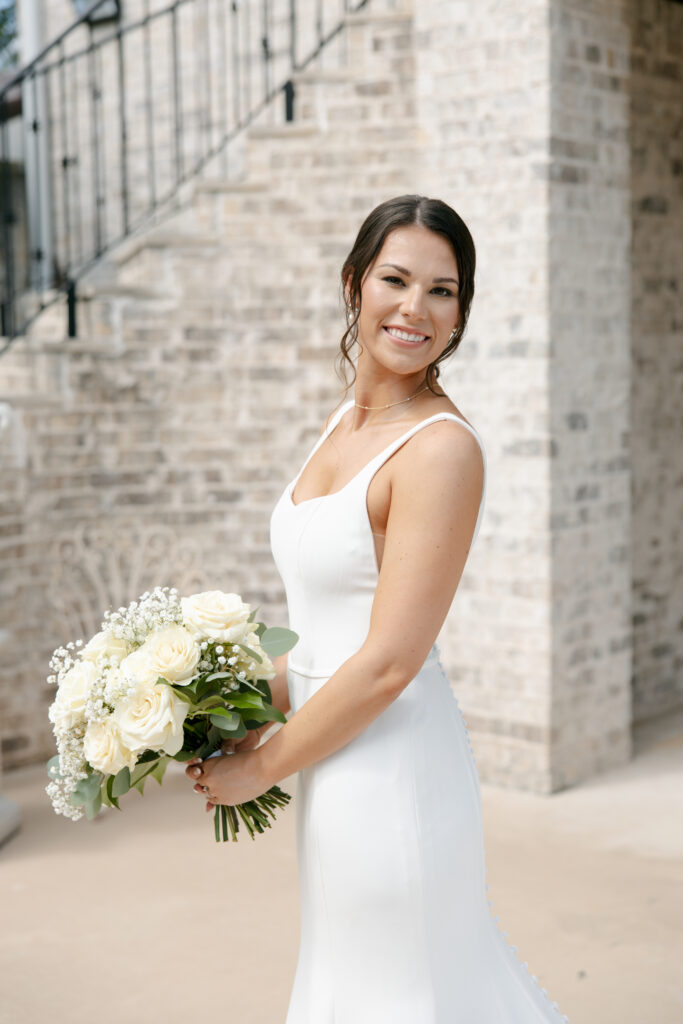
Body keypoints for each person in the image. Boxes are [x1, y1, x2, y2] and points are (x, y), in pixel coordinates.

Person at [185, 195, 571, 1022]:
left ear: (461, 311)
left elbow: (389, 659)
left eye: (443, 290)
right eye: (395, 279)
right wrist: (218, 712)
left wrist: (258, 767)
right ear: (354, 283)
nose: (415, 308)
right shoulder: (343, 423)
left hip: (392, 772)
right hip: (331, 762)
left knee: (404, 994)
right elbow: (327, 636)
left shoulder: (439, 451)